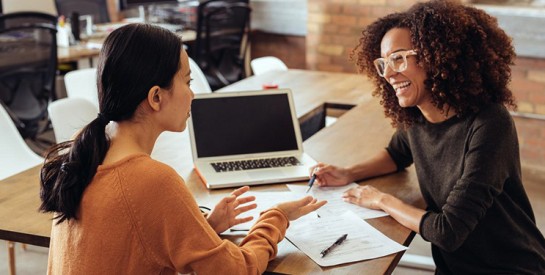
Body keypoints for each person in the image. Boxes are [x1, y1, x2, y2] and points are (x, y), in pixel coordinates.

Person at [39, 24, 326, 274]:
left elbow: (134, 244)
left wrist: (205, 227)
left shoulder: (85, 150)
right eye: (187, 82)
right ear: (155, 97)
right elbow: (238, 270)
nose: (193, 93)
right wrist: (276, 217)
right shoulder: (151, 179)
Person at [311, 1, 545, 273]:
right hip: (453, 267)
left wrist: (380, 199)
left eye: (398, 58)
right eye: (383, 63)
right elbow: (396, 154)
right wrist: (348, 173)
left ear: (438, 56)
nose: (388, 73)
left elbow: (447, 231)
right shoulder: (418, 117)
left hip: (509, 267)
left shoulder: (490, 124)